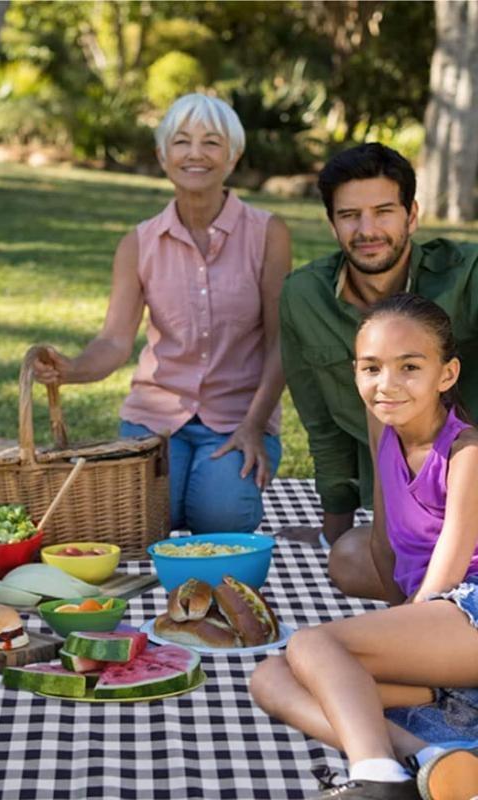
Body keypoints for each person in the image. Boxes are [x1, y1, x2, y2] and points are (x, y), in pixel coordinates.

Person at [250, 295, 478, 800]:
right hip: (442, 635)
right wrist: (393, 638)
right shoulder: (384, 427)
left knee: (312, 645)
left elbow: (445, 576)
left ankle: (375, 778)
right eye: (371, 367)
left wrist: (399, 642)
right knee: (273, 677)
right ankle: (425, 759)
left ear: (447, 374)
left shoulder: (468, 454)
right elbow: (387, 535)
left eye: (410, 367)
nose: (387, 384)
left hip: (467, 611)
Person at [33, 93, 291, 534]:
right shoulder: (138, 243)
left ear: (233, 155)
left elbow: (280, 342)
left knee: (221, 518)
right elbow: (115, 341)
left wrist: (254, 425)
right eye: (181, 142)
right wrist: (71, 370)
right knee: (143, 521)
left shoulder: (269, 234)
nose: (195, 154)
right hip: (154, 419)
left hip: (237, 419)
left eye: (211, 142)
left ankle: (214, 488)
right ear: (162, 155)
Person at [278, 143, 478, 599]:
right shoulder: (303, 296)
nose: (367, 230)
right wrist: (333, 525)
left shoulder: (467, 273)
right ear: (332, 224)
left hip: (467, 473)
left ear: (412, 216)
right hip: (408, 504)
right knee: (346, 558)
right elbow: (321, 425)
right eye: (350, 215)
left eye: (384, 211)